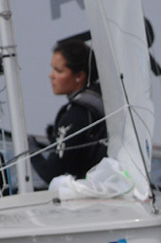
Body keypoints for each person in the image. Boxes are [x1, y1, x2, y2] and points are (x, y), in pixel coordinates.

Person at [31, 38, 107, 184]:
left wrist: (30, 149)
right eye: (52, 68)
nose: (51, 75)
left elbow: (50, 173)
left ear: (79, 76)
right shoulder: (102, 97)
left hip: (94, 193)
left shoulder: (76, 115)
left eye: (58, 70)